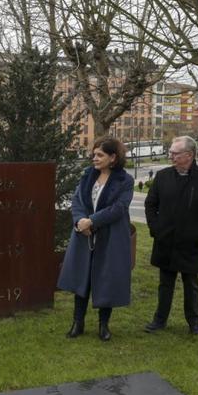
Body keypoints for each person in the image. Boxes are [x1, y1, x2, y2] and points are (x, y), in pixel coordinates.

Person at [58, 136, 134, 342]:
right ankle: (78, 323)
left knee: (106, 279)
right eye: (93, 154)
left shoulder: (125, 180)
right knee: (82, 278)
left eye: (99, 155)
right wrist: (79, 222)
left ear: (113, 157)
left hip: (110, 238)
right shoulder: (87, 176)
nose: (94, 158)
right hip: (84, 237)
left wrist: (91, 221)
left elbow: (119, 208)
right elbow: (77, 201)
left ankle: (104, 325)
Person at [144, 136, 198, 335]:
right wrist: (155, 228)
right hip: (165, 240)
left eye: (175, 153)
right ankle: (159, 320)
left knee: (191, 284)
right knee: (165, 283)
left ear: (189, 155)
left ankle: (194, 322)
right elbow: (151, 204)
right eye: (171, 152)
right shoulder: (163, 176)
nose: (171, 156)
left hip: (192, 242)